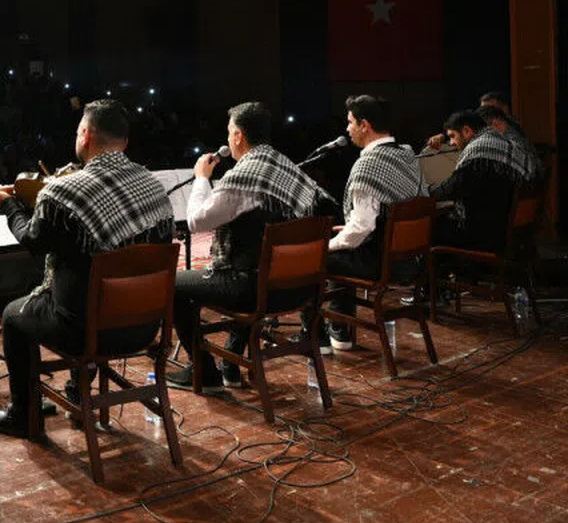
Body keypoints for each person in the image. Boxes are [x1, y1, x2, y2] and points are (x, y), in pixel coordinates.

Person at [0, 99, 175, 438]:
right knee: (83, 284)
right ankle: (75, 390)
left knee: (13, 316)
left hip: (87, 333)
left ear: (85, 134)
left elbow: (32, 241)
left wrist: (9, 204)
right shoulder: (153, 185)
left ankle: (24, 415)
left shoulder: (63, 191)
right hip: (144, 327)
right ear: (124, 142)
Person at [166, 102, 331, 392]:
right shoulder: (288, 167)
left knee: (172, 284)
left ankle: (205, 373)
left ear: (239, 136)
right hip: (298, 287)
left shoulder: (245, 176)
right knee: (251, 259)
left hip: (254, 288)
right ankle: (230, 364)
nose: (228, 138)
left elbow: (196, 221)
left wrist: (202, 180)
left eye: (230, 132)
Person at [307, 96, 424, 351]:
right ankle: (340, 331)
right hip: (410, 261)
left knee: (312, 257)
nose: (347, 129)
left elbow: (361, 230)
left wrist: (326, 245)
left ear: (365, 125)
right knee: (343, 247)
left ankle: (316, 337)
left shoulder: (368, 165)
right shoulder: (407, 155)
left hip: (382, 264)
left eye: (350, 122)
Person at [429, 110, 537, 253]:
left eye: (452, 136)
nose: (451, 143)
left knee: (428, 229)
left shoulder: (480, 149)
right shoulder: (499, 141)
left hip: (489, 236)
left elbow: (454, 187)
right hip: (511, 229)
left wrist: (425, 191)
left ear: (466, 131)